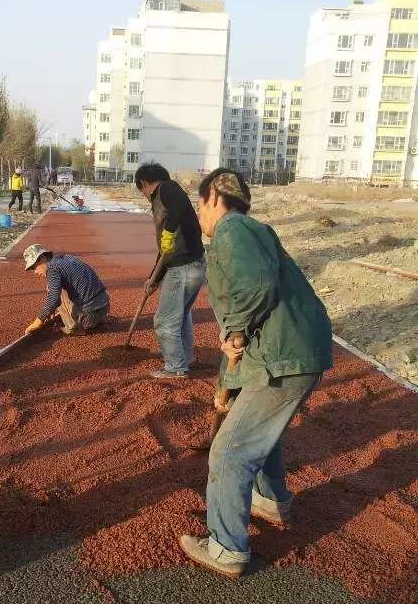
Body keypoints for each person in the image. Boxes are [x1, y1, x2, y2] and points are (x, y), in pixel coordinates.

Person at [179, 169, 333, 579]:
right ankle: (272, 499)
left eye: (199, 205)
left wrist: (234, 330)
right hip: (299, 349)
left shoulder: (231, 230)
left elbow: (255, 292)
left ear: (213, 197)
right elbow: (241, 336)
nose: (200, 216)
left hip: (285, 354)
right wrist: (223, 389)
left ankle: (227, 548)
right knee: (260, 428)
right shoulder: (255, 231)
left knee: (229, 451)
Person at [134, 163, 205, 379]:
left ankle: (175, 366)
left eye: (142, 191)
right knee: (180, 316)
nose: (145, 197)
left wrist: (169, 230)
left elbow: (180, 205)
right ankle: (185, 358)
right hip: (192, 265)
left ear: (144, 183)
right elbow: (165, 251)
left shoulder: (166, 189)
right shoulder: (166, 198)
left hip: (183, 268)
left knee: (164, 320)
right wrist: (153, 279)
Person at [23, 244, 109, 335]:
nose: (35, 272)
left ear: (42, 257)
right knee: (55, 287)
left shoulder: (52, 269)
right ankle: (96, 321)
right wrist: (50, 309)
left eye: (34, 267)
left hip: (89, 316)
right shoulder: (66, 258)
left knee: (54, 292)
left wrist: (37, 323)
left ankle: (73, 328)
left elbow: (53, 298)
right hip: (104, 306)